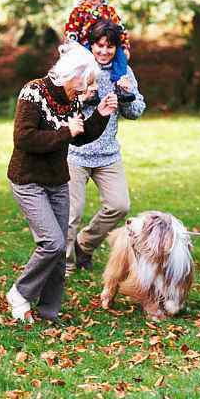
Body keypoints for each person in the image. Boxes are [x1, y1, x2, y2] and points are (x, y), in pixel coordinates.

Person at [6, 42, 118, 323]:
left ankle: (48, 312)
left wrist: (100, 116)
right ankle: (19, 293)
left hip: (57, 180)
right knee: (52, 243)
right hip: (28, 179)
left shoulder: (72, 98)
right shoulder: (34, 91)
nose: (88, 88)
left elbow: (78, 135)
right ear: (72, 74)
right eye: (86, 81)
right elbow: (24, 138)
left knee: (61, 247)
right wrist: (65, 131)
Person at [66, 19, 145, 275]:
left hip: (107, 153)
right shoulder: (78, 68)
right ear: (91, 45)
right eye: (99, 45)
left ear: (116, 48)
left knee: (119, 205)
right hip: (76, 152)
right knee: (71, 214)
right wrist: (83, 98)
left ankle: (84, 245)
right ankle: (64, 266)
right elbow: (61, 107)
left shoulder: (123, 71)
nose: (103, 51)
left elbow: (136, 112)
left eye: (109, 47)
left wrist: (127, 93)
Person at [64, 0, 131, 86]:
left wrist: (124, 45)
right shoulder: (79, 12)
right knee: (85, 62)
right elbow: (72, 30)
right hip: (87, 44)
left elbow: (119, 28)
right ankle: (90, 86)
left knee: (120, 56)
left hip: (108, 41)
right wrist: (70, 46)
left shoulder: (108, 10)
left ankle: (119, 82)